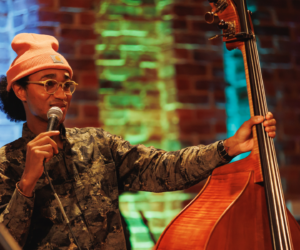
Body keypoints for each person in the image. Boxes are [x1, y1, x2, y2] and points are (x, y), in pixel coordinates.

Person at [0, 33, 276, 250]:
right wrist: (26, 184)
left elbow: (164, 168)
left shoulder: (98, 144)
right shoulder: (5, 163)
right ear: (21, 91)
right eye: (49, 83)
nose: (61, 93)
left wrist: (228, 147)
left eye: (67, 84)